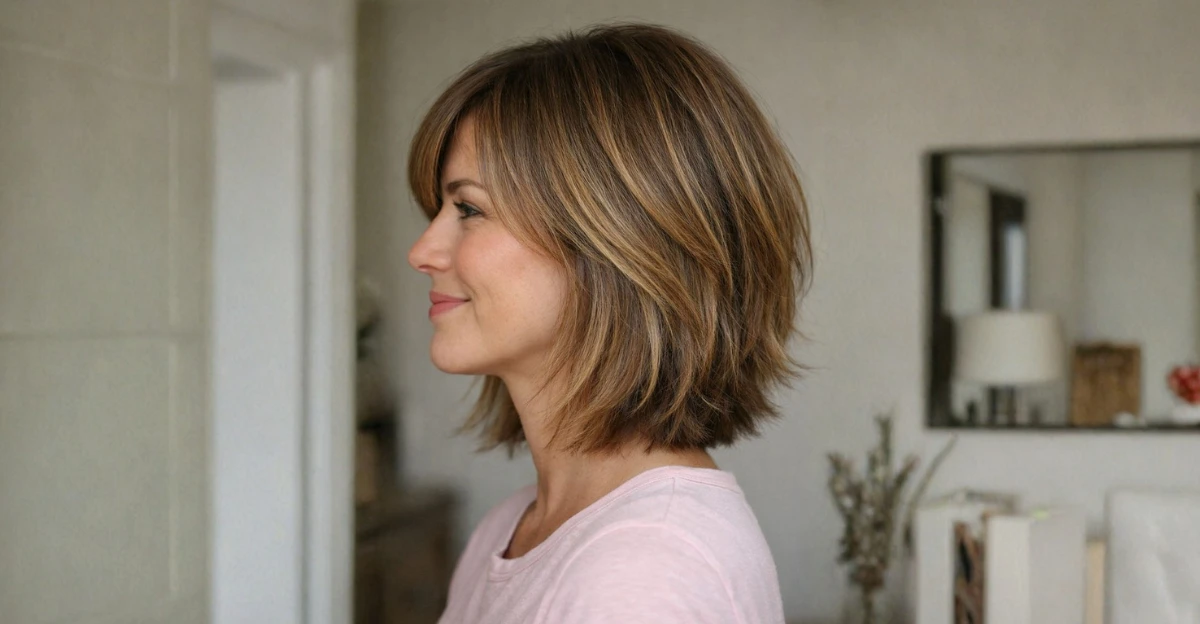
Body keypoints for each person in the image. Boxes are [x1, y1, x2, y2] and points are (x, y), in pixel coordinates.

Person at [407, 22, 811, 624]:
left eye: (469, 208)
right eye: (440, 208)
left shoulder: (645, 570)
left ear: (617, 241)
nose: (422, 252)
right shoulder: (513, 528)